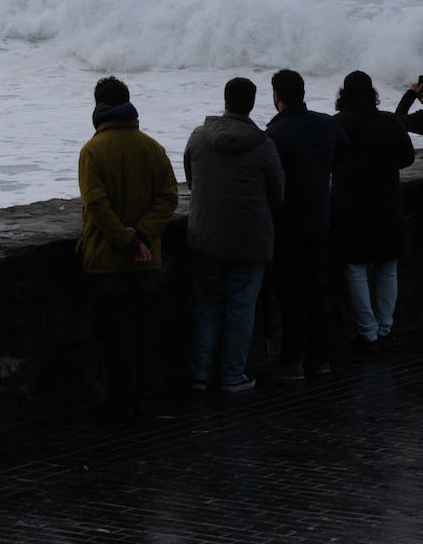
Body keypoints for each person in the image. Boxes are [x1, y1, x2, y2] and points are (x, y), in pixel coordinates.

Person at [75, 77, 180, 419]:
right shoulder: (153, 148)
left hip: (106, 262)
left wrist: (125, 239)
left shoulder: (92, 150)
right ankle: (143, 400)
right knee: (143, 333)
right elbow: (169, 198)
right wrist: (143, 235)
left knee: (114, 338)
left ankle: (122, 406)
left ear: (98, 107)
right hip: (147, 260)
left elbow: (96, 204)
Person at [183, 77, 284, 393]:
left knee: (206, 306)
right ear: (252, 105)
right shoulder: (263, 145)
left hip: (206, 238)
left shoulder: (199, 137)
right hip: (249, 241)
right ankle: (231, 375)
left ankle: (200, 375)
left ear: (225, 101)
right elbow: (278, 194)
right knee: (241, 308)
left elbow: (191, 181)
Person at [262, 69, 348, 379]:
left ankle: (292, 360)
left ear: (277, 96)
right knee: (316, 288)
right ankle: (320, 358)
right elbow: (343, 152)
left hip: (287, 223)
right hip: (319, 218)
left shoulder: (275, 134)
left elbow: (269, 180)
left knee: (290, 292)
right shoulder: (326, 124)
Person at [332, 70, 415, 351]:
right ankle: (384, 327)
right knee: (387, 267)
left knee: (355, 267)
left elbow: (328, 161)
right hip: (387, 203)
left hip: (349, 205)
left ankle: (366, 332)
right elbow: (407, 158)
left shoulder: (336, 124)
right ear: (372, 94)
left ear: (344, 95)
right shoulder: (389, 122)